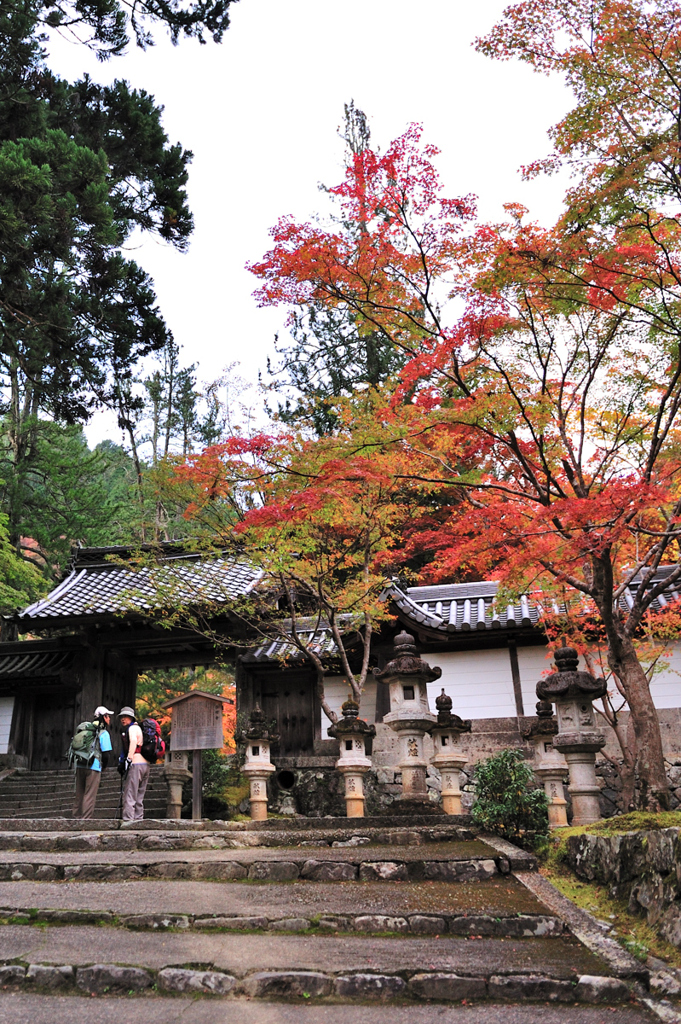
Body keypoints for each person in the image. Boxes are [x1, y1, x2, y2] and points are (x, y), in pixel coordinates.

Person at [72, 706, 113, 819]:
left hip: (80, 764)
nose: (109, 718)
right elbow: (106, 754)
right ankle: (85, 820)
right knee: (89, 794)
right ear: (104, 717)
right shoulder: (103, 733)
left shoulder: (86, 729)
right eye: (108, 716)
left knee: (79, 793)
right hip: (93, 766)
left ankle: (76, 817)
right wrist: (104, 766)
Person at [118, 706, 150, 821]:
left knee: (130, 793)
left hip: (135, 763)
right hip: (145, 764)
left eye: (125, 717)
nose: (123, 719)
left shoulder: (132, 729)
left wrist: (128, 759)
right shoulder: (140, 729)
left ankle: (128, 820)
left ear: (131, 718)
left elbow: (133, 742)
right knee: (139, 795)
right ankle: (138, 819)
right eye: (121, 717)